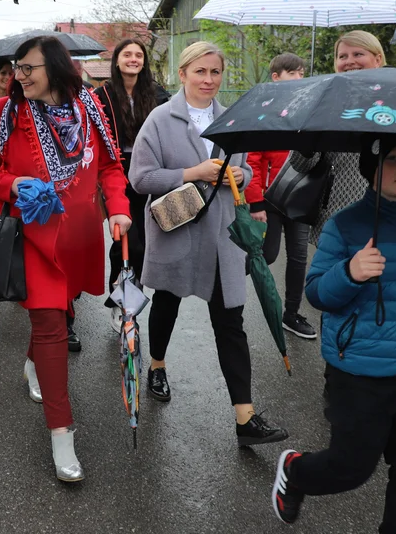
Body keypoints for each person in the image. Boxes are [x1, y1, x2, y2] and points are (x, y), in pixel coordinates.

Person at [272, 137, 396, 532]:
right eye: (393, 159)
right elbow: (316, 293)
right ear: (373, 167)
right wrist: (350, 272)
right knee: (350, 469)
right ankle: (296, 470)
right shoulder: (345, 225)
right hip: (359, 372)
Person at [0, 35, 131, 482]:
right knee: (50, 328)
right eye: (16, 69)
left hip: (80, 240)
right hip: (33, 238)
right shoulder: (7, 112)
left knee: (61, 314)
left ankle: (32, 365)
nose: (18, 76)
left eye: (28, 69)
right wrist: (13, 185)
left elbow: (110, 167)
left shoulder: (92, 110)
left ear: (56, 70)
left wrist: (118, 207)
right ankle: (63, 437)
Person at [130, 41, 288, 447]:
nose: (208, 79)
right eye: (200, 71)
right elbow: (141, 178)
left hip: (222, 237)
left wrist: (241, 178)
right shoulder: (160, 120)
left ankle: (245, 418)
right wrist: (191, 171)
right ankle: (157, 366)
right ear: (182, 74)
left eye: (215, 72)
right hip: (177, 230)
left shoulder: (233, 120)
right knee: (166, 303)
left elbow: (247, 169)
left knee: (230, 321)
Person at [288, 31, 396, 247]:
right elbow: (300, 164)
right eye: (342, 56)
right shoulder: (327, 103)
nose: (349, 61)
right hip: (340, 217)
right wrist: (308, 134)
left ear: (378, 59)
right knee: (337, 278)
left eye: (358, 54)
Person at [94, 38, 169, 332]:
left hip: (149, 171)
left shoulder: (158, 94)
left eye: (138, 55)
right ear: (117, 60)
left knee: (143, 243)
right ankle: (122, 302)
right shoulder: (103, 95)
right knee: (125, 239)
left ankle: (127, 294)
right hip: (117, 172)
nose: (133, 59)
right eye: (128, 54)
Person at [245, 53, 316, 340]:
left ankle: (291, 313)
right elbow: (253, 159)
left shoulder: (309, 109)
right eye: (292, 73)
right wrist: (256, 201)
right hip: (271, 198)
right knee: (268, 254)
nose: (299, 78)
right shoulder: (264, 112)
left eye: (301, 73)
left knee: (299, 257)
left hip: (301, 197)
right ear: (276, 77)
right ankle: (226, 285)